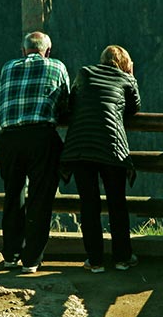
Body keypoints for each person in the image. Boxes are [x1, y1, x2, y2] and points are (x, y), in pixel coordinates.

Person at [59, 45, 140, 273]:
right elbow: (134, 108)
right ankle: (122, 258)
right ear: (125, 63)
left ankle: (95, 261)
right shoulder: (126, 79)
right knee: (117, 203)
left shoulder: (84, 73)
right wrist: (131, 76)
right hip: (112, 149)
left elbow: (71, 103)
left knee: (89, 204)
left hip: (81, 148)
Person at [0, 31, 70, 274]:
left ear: (23, 50)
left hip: (9, 138)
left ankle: (10, 255)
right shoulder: (56, 66)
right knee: (40, 198)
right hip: (40, 136)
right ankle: (31, 260)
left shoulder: (8, 67)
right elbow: (65, 104)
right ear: (47, 51)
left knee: (13, 194)